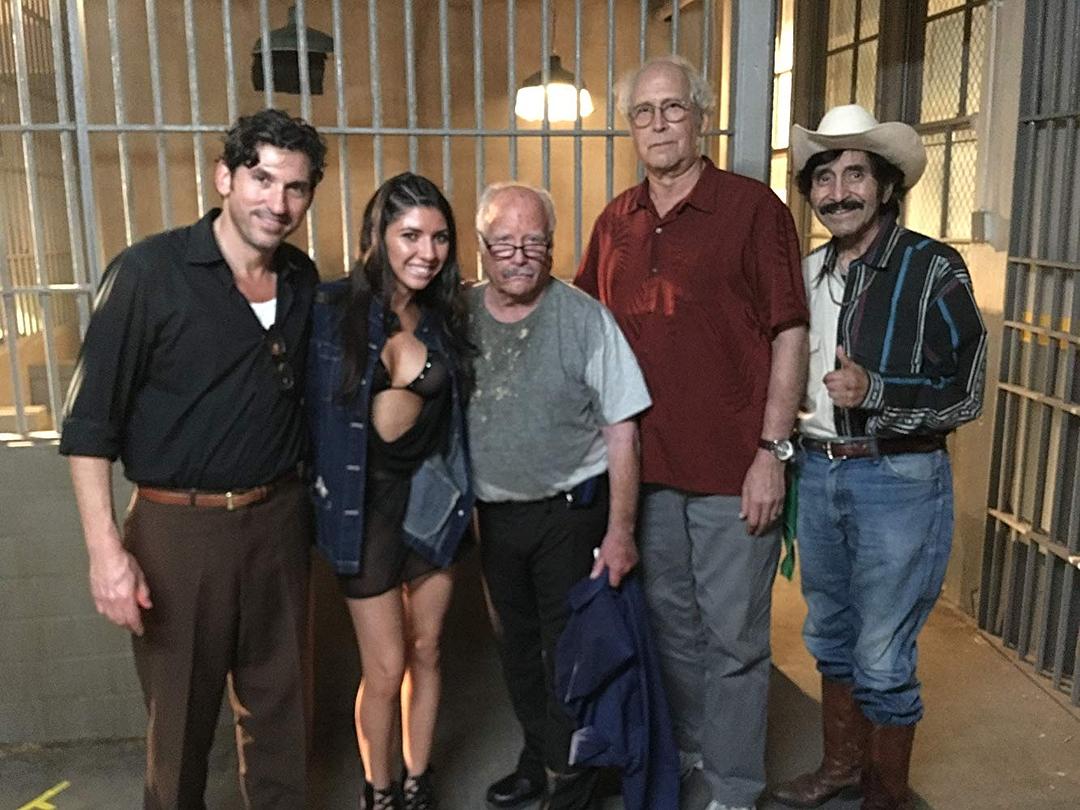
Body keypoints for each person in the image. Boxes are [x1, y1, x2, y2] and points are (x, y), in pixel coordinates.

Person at [59, 108, 326, 809]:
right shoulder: (148, 273)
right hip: (179, 530)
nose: (277, 202)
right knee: (179, 726)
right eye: (261, 178)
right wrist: (106, 554)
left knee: (284, 717)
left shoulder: (301, 278)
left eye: (295, 187)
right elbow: (89, 426)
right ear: (224, 178)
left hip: (279, 521)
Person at [575, 55, 808, 810]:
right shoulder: (615, 220)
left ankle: (734, 790)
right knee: (671, 630)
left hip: (734, 470)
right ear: (630, 128)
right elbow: (582, 329)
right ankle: (693, 761)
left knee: (734, 641)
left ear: (701, 115)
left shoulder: (752, 209)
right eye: (643, 112)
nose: (659, 124)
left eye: (673, 107)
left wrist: (772, 453)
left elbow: (790, 333)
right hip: (645, 472)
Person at [771, 105, 986, 810]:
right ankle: (841, 768)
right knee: (829, 635)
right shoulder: (808, 272)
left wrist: (878, 390)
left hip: (899, 479)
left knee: (882, 654)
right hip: (818, 471)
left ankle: (885, 797)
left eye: (855, 175)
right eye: (824, 178)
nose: (838, 193)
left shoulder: (933, 269)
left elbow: (967, 391)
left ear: (887, 186)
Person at [468, 183, 652, 810]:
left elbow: (622, 430)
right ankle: (537, 756)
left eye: (534, 242)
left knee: (569, 653)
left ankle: (570, 780)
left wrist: (621, 531)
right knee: (516, 648)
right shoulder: (459, 317)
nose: (519, 256)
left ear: (551, 246)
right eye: (504, 243)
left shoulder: (585, 318)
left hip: (570, 513)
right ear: (481, 247)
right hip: (494, 516)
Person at [307, 173, 475, 810]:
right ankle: (378, 791)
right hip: (364, 510)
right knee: (384, 667)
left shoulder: (445, 313)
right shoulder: (332, 310)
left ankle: (416, 779)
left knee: (427, 649)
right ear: (377, 235)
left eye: (439, 237)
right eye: (410, 235)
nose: (427, 252)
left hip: (432, 500)